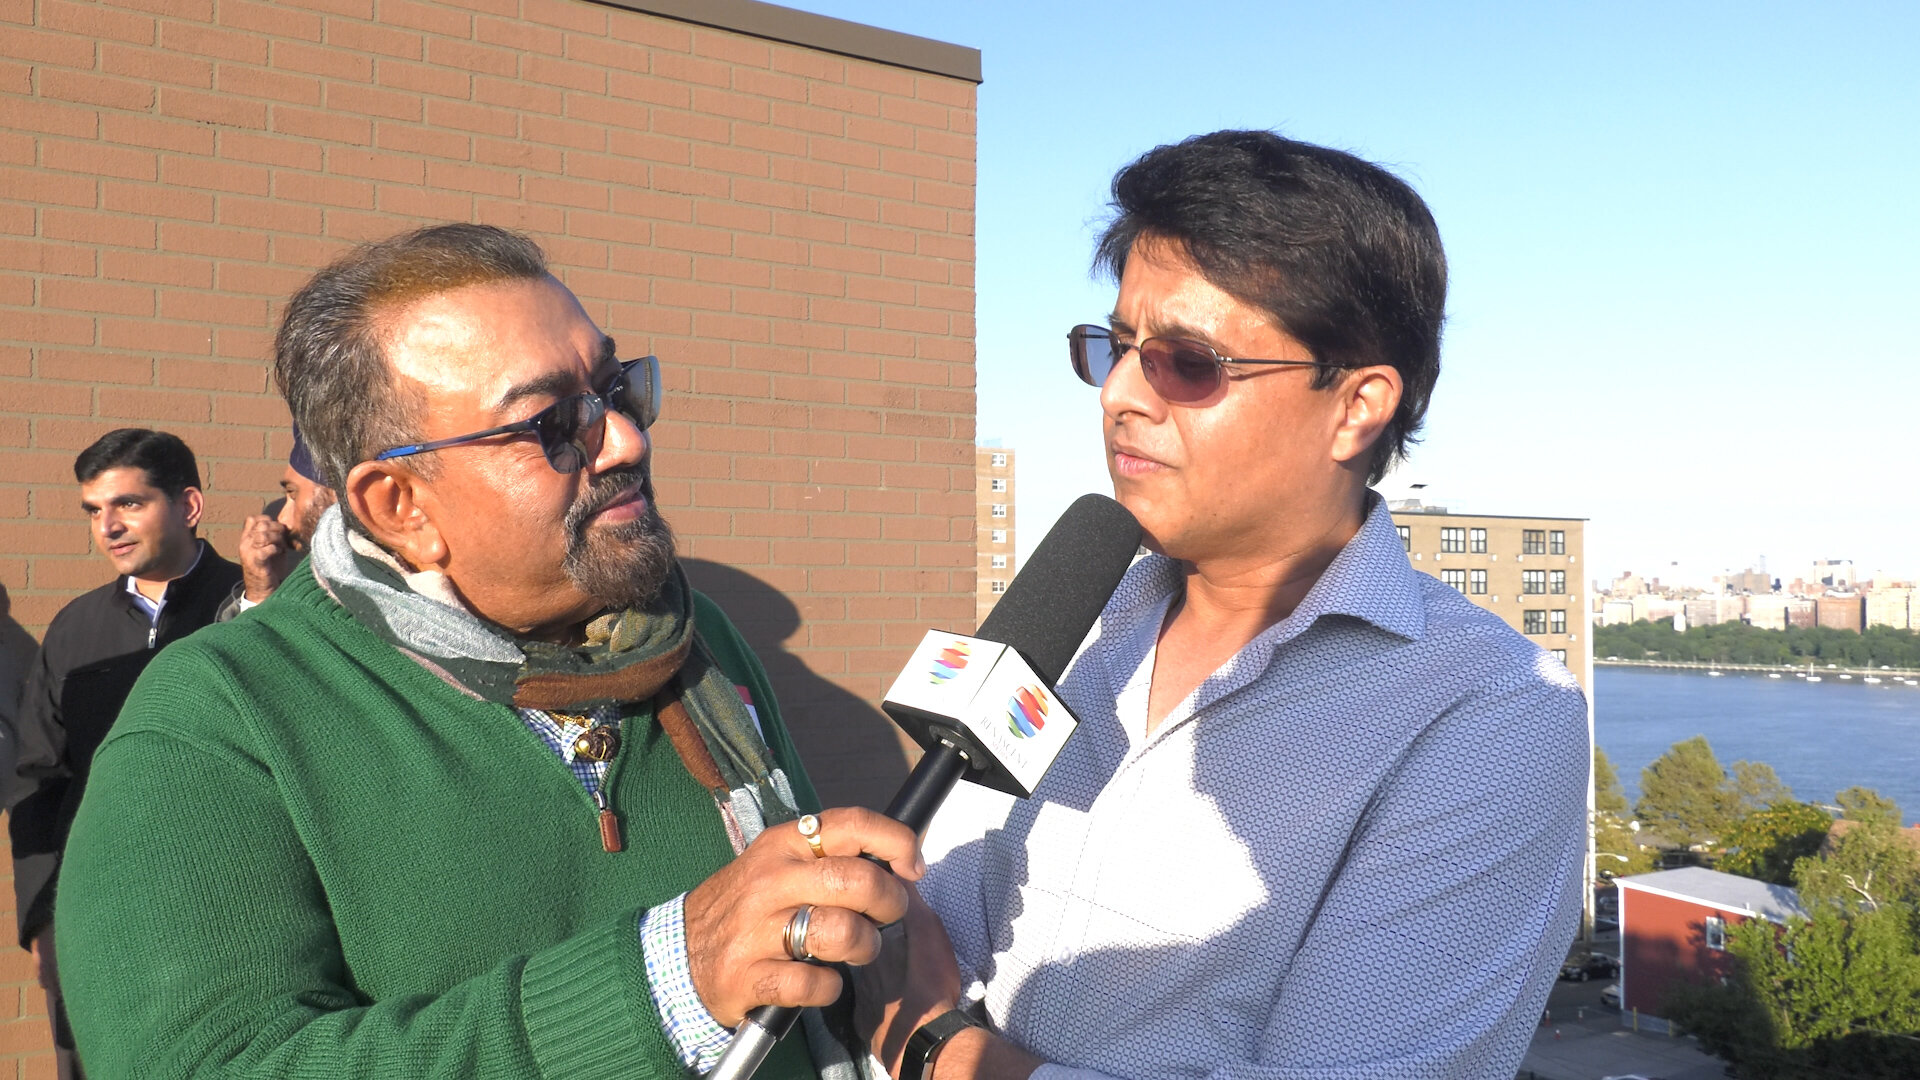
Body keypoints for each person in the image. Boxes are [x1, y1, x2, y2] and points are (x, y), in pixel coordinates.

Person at [55, 224, 922, 1080]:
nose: (627, 440)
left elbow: (824, 962)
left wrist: (926, 1027)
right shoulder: (216, 723)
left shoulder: (696, 645)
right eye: (553, 422)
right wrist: (660, 984)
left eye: (615, 390)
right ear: (400, 506)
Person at [860, 131, 1589, 1080]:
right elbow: (941, 919)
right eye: (1115, 348)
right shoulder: (1075, 619)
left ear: (1358, 405)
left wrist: (939, 1050)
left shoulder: (1489, 715)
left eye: (1186, 361)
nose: (1119, 396)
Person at [11, 428, 242, 1080]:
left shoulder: (253, 608)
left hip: (229, 914)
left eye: (128, 504)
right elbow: (38, 782)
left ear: (188, 506)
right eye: (93, 510)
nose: (107, 527)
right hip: (98, 917)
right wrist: (43, 919)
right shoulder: (75, 629)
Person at [216, 426, 338, 620]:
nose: (282, 519)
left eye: (293, 493)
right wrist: (260, 593)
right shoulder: (285, 556)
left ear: (338, 495)